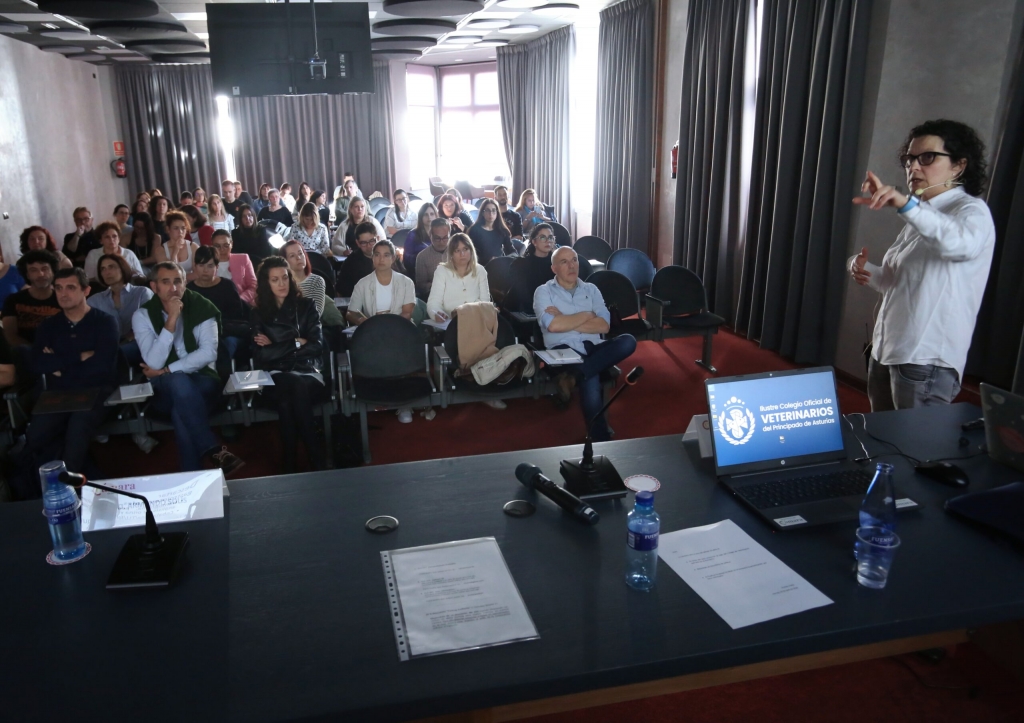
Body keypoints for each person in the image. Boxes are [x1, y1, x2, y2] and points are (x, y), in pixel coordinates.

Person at [850, 119, 995, 411]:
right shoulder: (922, 213)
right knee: (882, 443)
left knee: (916, 453)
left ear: (959, 165)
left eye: (927, 157)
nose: (913, 167)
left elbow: (959, 244)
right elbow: (898, 283)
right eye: (909, 159)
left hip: (925, 362)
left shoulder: (971, 211)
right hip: (887, 350)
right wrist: (866, 269)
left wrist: (906, 205)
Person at [132, 262, 245, 474]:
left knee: (180, 404)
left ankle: (193, 474)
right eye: (166, 282)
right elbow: (154, 362)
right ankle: (213, 450)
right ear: (154, 286)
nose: (173, 288)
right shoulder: (142, 316)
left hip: (203, 381)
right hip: (164, 389)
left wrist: (167, 370)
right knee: (178, 386)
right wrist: (172, 320)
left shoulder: (203, 307)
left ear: (185, 284)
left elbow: (208, 353)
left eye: (178, 281)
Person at [534, 247, 637, 441]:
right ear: (554, 268)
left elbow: (604, 326)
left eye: (574, 260)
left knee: (628, 341)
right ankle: (600, 438)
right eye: (564, 262)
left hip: (593, 346)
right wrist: (586, 316)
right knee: (591, 375)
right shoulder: (543, 292)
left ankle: (574, 376)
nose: (572, 265)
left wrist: (566, 319)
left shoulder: (592, 289)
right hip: (563, 349)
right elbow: (554, 326)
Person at [27, 268, 119, 476]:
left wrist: (59, 366)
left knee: (78, 428)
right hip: (58, 393)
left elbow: (102, 368)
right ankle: (57, 485)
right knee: (37, 435)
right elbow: (37, 364)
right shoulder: (48, 326)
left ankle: (69, 488)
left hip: (96, 391)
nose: (63, 293)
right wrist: (78, 357)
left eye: (70, 288)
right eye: (58, 288)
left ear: (86, 290)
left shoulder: (105, 322)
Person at [251, 256, 328, 472]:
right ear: (266, 283)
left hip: (308, 371)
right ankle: (315, 456)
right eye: (275, 280)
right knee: (292, 386)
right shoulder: (259, 313)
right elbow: (261, 357)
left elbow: (317, 345)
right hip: (275, 374)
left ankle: (290, 462)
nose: (281, 283)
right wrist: (296, 342)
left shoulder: (306, 305)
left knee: (288, 399)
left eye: (284, 278)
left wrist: (277, 346)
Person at [347, 239, 417, 424]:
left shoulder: (406, 282)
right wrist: (367, 323)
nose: (381, 259)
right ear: (372, 258)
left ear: (393, 258)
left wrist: (389, 328)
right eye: (377, 254)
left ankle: (404, 403)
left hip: (399, 330)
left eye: (386, 255)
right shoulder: (363, 283)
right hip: (372, 332)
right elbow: (351, 312)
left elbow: (407, 312)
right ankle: (378, 394)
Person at [88, 253, 153, 368]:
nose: (107, 272)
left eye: (111, 267)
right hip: (107, 345)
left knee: (113, 354)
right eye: (103, 269)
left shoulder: (142, 293)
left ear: (123, 268)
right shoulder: (94, 300)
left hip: (139, 344)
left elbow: (150, 325)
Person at [188, 246, 250, 365]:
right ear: (195, 267)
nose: (205, 270)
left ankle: (223, 380)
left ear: (217, 267)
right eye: (201, 265)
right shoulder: (189, 290)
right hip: (200, 335)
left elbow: (237, 317)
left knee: (225, 347)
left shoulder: (227, 286)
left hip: (227, 332)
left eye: (210, 266)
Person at [2, 250, 61, 351]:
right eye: (33, 270)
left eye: (45, 269)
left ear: (53, 272)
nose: (41, 274)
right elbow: (10, 335)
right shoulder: (13, 300)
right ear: (27, 275)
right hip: (24, 355)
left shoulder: (63, 299)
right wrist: (36, 351)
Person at [427, 233, 491, 321]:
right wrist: (437, 313)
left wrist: (466, 312)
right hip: (450, 322)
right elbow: (433, 302)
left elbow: (485, 302)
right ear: (451, 254)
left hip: (475, 321)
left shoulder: (480, 270)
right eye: (457, 250)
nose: (462, 254)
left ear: (471, 250)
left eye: (465, 249)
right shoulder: (441, 271)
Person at [506, 223, 556, 312]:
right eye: (543, 237)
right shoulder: (520, 264)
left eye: (550, 237)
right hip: (525, 312)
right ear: (534, 242)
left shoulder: (557, 263)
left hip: (552, 308)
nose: (548, 241)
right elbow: (523, 295)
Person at [211, 229, 257, 305]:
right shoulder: (207, 262)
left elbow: (253, 286)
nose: (222, 249)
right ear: (212, 246)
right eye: (217, 246)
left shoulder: (243, 259)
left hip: (241, 304)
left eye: (226, 245)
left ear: (231, 244)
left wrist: (240, 299)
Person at [468, 198, 516, 266]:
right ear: (482, 213)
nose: (491, 214)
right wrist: (488, 260)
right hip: (480, 267)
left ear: (497, 213)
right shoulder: (474, 230)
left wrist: (500, 259)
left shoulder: (502, 230)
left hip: (498, 267)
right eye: (487, 210)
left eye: (493, 210)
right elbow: (470, 253)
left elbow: (513, 253)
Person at [335, 223, 378, 297]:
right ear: (357, 243)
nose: (369, 246)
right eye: (364, 243)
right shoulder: (351, 263)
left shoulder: (389, 256)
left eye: (371, 241)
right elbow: (342, 290)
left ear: (377, 238)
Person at [156, 211, 200, 281]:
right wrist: (175, 252)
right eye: (176, 228)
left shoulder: (193, 247)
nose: (180, 232)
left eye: (183, 228)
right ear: (168, 229)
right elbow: (170, 273)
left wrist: (180, 280)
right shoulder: (161, 250)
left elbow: (198, 273)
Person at [415, 219, 452, 299]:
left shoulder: (456, 252)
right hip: (433, 296)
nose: (441, 242)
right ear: (430, 235)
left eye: (445, 238)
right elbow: (421, 286)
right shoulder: (422, 257)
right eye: (437, 238)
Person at [404, 202, 438, 276]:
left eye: (432, 214)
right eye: (425, 215)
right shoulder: (412, 235)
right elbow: (406, 259)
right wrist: (423, 258)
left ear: (436, 216)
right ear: (421, 217)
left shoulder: (440, 233)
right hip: (419, 272)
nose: (429, 217)